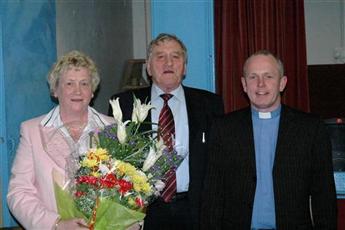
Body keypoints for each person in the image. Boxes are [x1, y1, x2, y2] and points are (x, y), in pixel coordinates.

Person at [200, 50, 338, 229]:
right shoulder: (223, 128)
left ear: (282, 83)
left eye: (269, 76)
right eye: (253, 77)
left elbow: (324, 195)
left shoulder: (311, 128)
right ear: (244, 84)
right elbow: (213, 194)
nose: (260, 84)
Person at [109, 33, 224, 229]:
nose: (168, 62)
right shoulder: (124, 104)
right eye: (160, 56)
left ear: (185, 67)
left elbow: (219, 163)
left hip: (195, 210)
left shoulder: (210, 104)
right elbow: (114, 162)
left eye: (176, 56)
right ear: (149, 66)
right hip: (143, 212)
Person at [6, 50, 115, 229]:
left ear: (92, 91)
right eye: (69, 83)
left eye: (84, 83)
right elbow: (19, 192)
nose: (78, 90)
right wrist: (55, 224)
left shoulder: (113, 128)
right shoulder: (32, 130)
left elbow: (130, 187)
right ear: (55, 90)